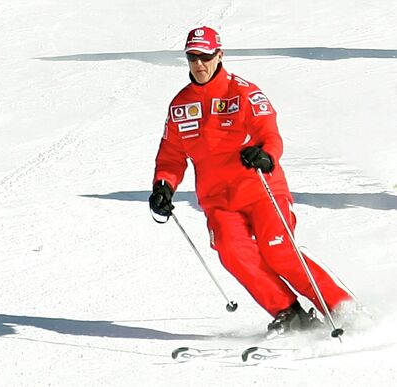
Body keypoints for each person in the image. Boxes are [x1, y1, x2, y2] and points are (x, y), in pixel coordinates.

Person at [149, 26, 353, 335]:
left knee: (278, 250)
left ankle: (341, 306)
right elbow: (171, 156)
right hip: (218, 200)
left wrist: (265, 155)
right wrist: (163, 186)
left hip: (260, 190)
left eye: (205, 57)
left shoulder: (243, 92)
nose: (199, 65)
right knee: (232, 251)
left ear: (220, 55)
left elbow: (269, 133)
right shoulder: (180, 105)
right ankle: (290, 314)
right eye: (193, 58)